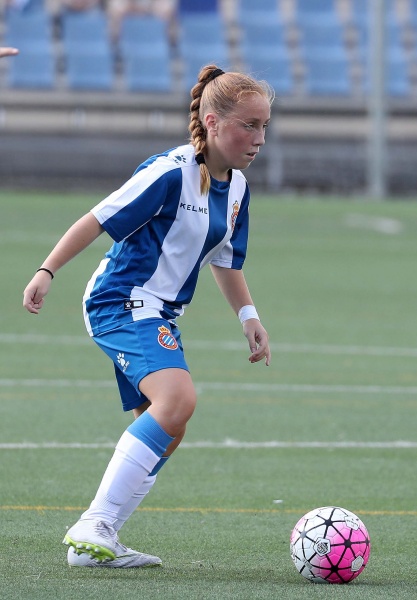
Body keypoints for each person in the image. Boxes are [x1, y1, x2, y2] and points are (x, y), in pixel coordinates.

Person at [23, 64, 274, 568]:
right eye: (249, 124)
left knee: (169, 426)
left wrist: (249, 315)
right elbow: (97, 218)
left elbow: (225, 259)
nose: (259, 137)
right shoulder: (170, 171)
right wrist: (47, 270)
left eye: (265, 126)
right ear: (212, 121)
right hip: (119, 301)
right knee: (178, 398)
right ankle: (94, 520)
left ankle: (100, 543)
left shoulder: (239, 189)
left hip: (159, 313)